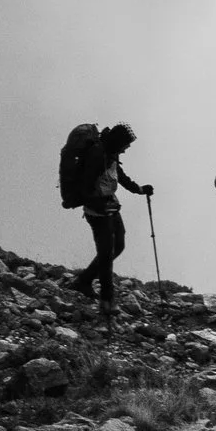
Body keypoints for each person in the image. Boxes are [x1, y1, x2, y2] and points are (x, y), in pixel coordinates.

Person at [71, 121, 152, 327]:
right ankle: (106, 302)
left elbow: (120, 177)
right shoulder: (98, 155)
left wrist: (139, 189)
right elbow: (85, 187)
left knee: (118, 246)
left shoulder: (111, 152)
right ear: (118, 141)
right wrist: (99, 206)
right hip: (98, 211)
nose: (128, 148)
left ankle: (84, 280)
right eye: (127, 144)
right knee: (107, 254)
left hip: (109, 206)